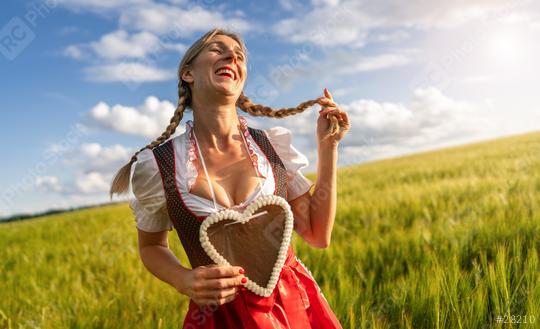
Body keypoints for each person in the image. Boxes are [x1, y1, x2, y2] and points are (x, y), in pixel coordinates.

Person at [110, 28, 350, 328]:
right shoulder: (159, 166)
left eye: (239, 55)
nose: (232, 56)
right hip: (218, 317)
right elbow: (151, 247)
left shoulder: (272, 148)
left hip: (292, 308)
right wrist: (183, 279)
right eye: (217, 48)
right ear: (188, 73)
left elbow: (317, 234)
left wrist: (329, 149)